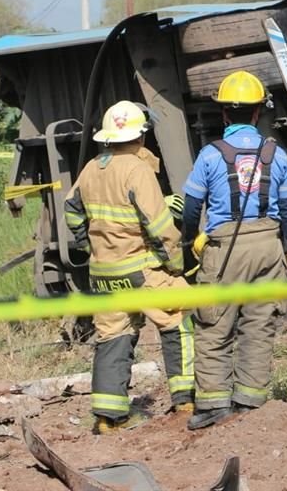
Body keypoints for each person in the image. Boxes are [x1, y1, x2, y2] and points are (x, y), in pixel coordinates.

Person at [64, 100, 194, 434]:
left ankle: (109, 418)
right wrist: (175, 264)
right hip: (142, 268)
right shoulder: (138, 170)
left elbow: (72, 211)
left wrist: (90, 244)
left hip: (104, 273)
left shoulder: (92, 167)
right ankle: (187, 399)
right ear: (141, 136)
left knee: (113, 336)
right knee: (178, 318)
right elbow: (159, 225)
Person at [182, 70, 287, 430]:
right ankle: (250, 400)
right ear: (257, 113)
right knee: (259, 324)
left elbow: (190, 207)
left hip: (225, 247)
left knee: (214, 323)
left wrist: (189, 245)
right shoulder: (276, 155)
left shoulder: (210, 155)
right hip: (268, 244)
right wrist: (286, 247)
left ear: (225, 115)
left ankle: (214, 404)